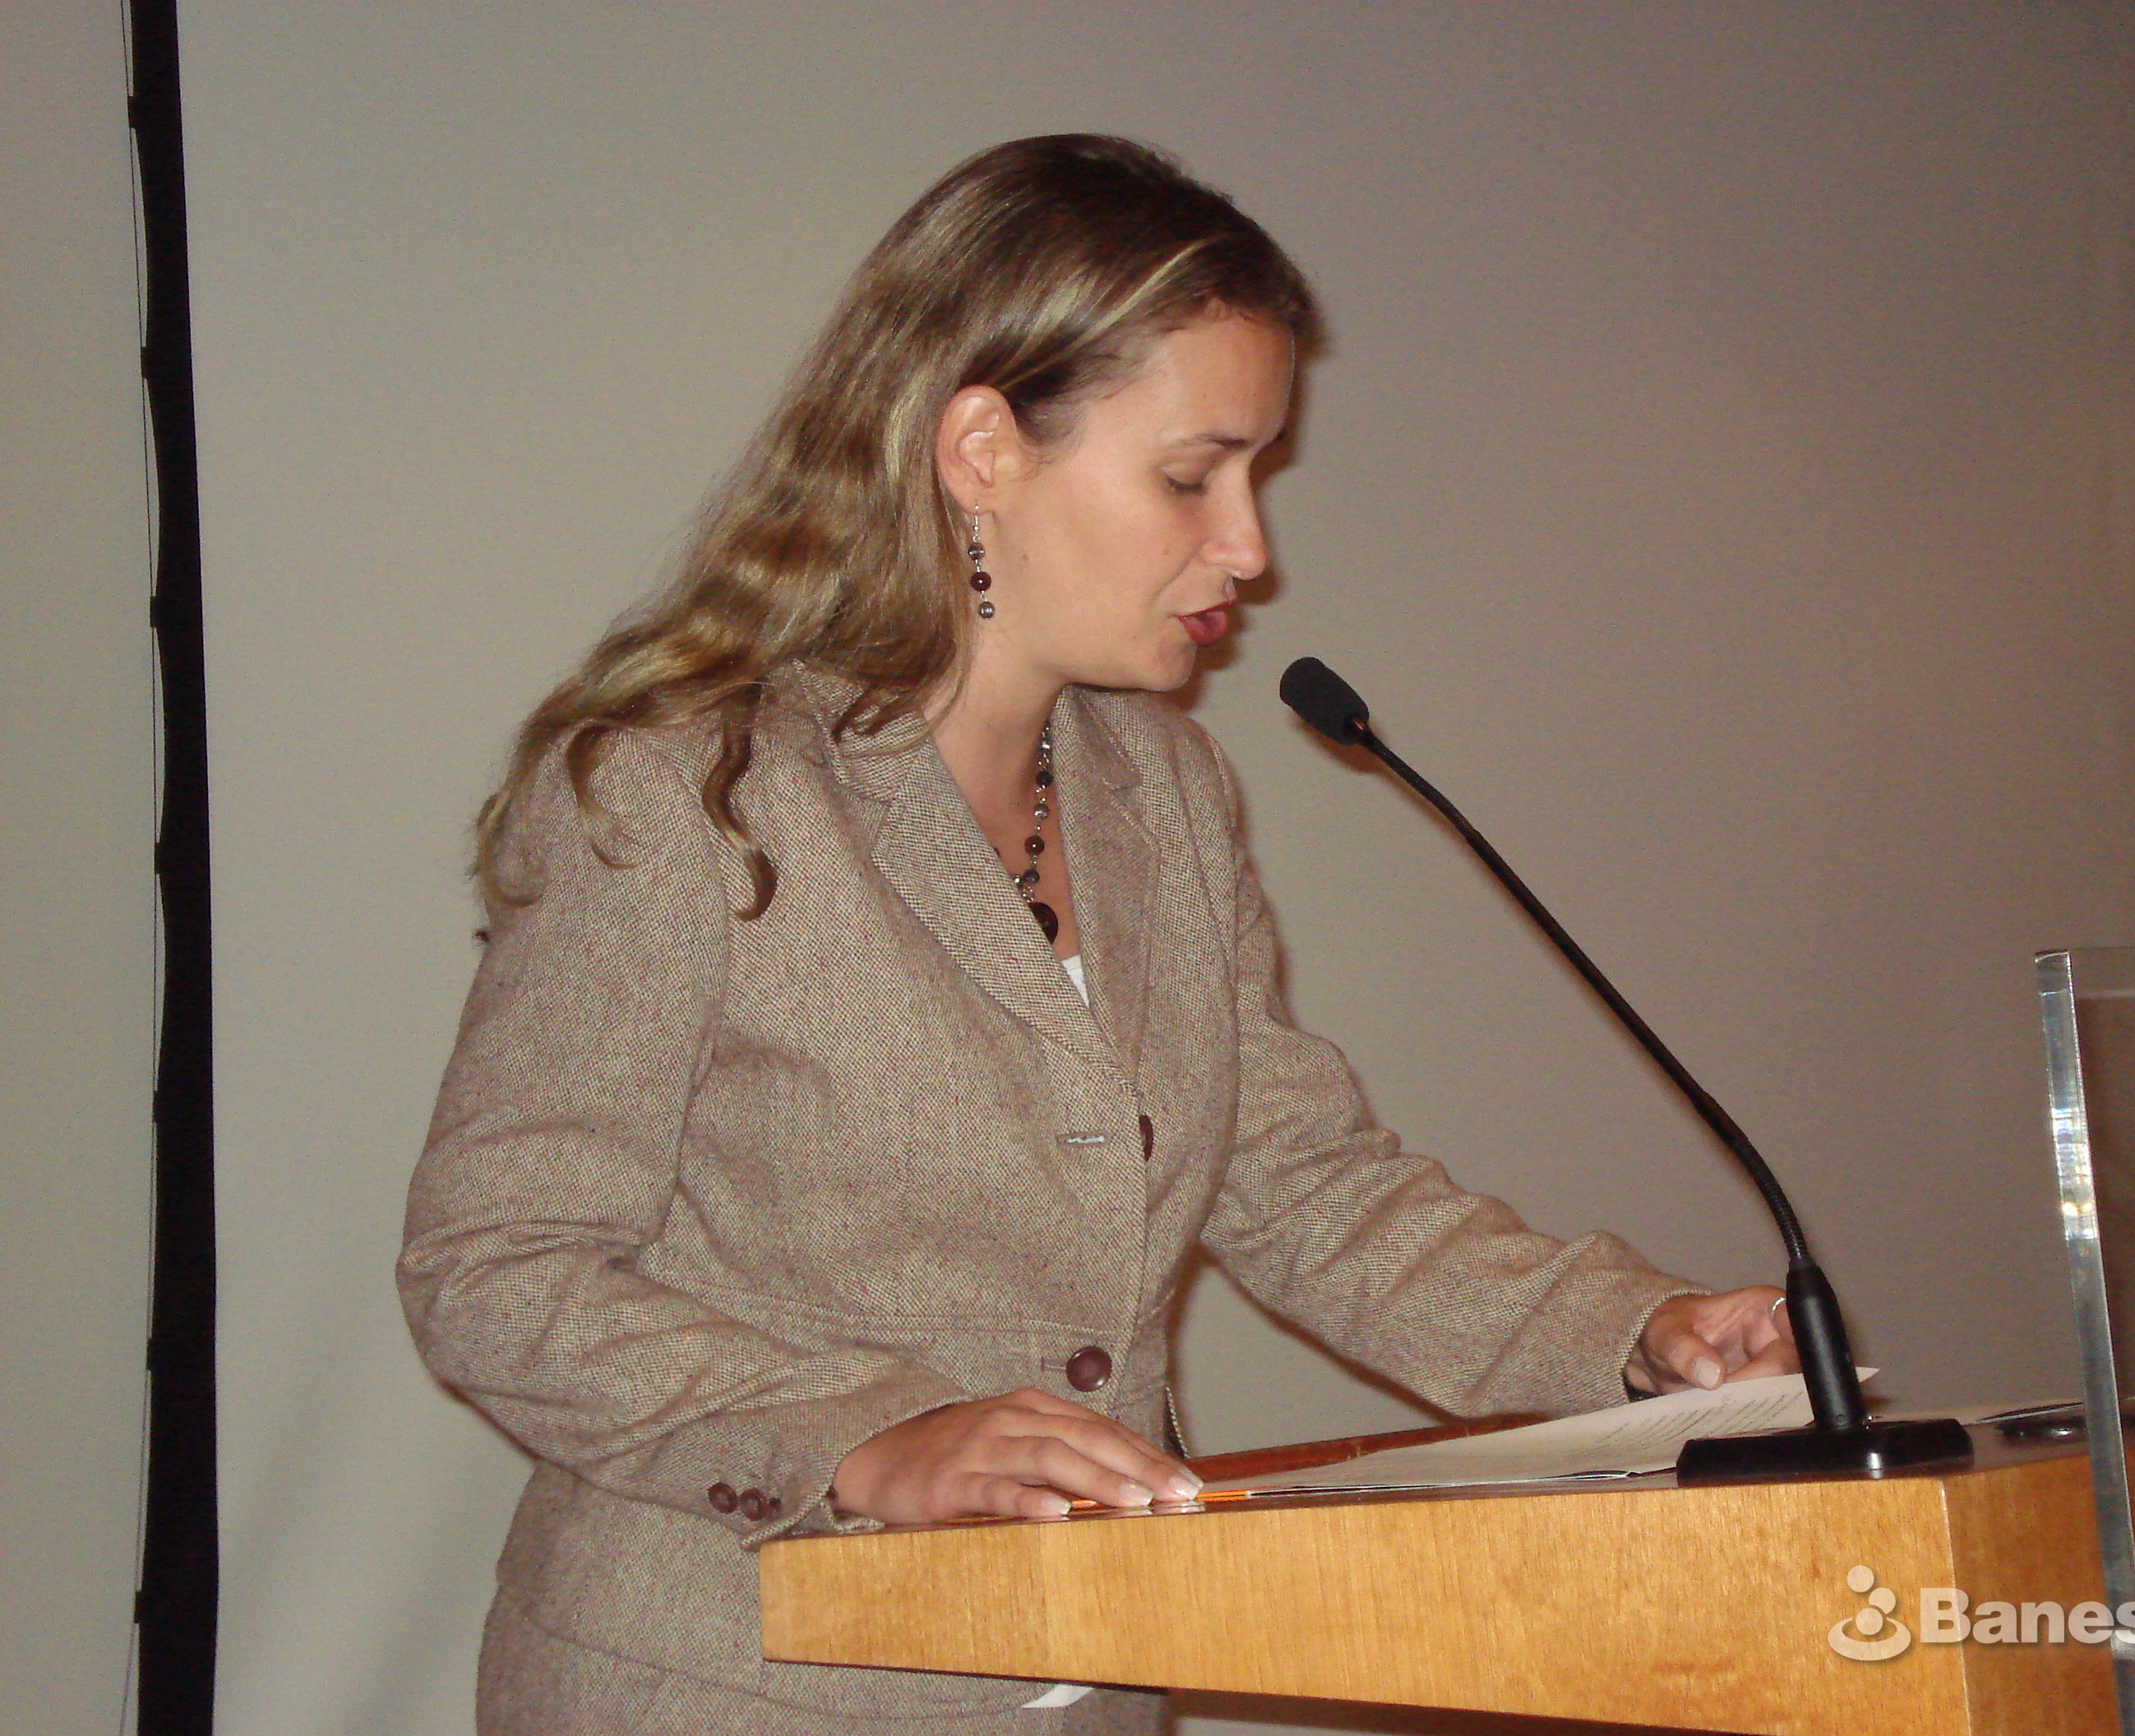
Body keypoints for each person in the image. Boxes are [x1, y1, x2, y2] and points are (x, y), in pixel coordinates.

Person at [399, 134, 1797, 1736]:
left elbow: (1306, 1191)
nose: (1251, 547)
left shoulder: (1166, 793)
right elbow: (496, 1269)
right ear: (981, 448)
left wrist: (1631, 1338)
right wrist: (862, 1438)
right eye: (1193, 475)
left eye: (1256, 476)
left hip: (1092, 1679)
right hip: (728, 1687)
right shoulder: (684, 792)